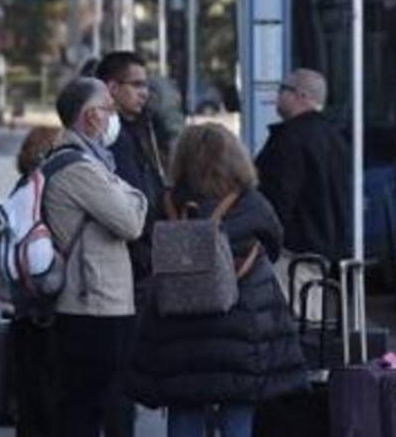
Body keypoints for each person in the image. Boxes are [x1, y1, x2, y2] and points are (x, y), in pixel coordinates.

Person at [127, 124, 307, 437]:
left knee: (184, 408)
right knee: (238, 410)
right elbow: (275, 244)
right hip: (241, 323)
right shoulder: (252, 203)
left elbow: (146, 251)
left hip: (177, 328)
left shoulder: (167, 202)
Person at [44, 78, 148, 437]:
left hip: (96, 300)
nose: (112, 117)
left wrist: (119, 190)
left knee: (86, 405)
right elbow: (131, 221)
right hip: (95, 303)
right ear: (90, 118)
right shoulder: (81, 169)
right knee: (97, 406)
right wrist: (133, 194)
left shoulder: (87, 162)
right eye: (109, 109)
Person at [95, 51, 169, 437]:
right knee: (119, 372)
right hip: (123, 268)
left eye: (146, 86)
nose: (145, 94)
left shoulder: (141, 130)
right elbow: (130, 205)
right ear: (112, 87)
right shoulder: (112, 138)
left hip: (138, 265)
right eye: (137, 85)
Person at [254, 69, 351, 315]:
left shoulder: (290, 139)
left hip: (291, 254)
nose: (277, 97)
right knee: (311, 319)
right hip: (322, 254)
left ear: (300, 95)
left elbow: (278, 198)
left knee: (292, 326)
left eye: (282, 90)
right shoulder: (335, 139)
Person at [10, 126, 64, 437]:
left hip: (23, 304)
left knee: (30, 390)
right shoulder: (44, 191)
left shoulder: (21, 189)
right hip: (44, 304)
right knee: (48, 389)